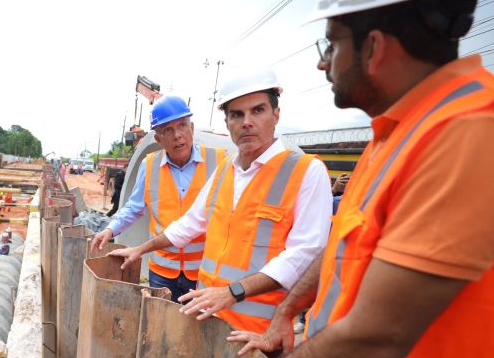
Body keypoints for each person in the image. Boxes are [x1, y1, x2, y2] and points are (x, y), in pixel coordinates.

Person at [194, 0, 494, 358]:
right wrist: (287, 312)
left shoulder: (466, 137)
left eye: (332, 43)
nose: (321, 61)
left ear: (375, 47)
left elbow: (380, 333)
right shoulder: (398, 133)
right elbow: (338, 247)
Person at [110, 67, 332, 335]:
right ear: (227, 123)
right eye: (236, 114)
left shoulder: (306, 171)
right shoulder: (226, 170)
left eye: (257, 110)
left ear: (276, 114)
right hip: (209, 318)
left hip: (258, 332)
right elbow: (188, 224)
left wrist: (233, 292)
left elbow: (305, 254)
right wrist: (140, 249)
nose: (246, 122)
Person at [91, 96, 228, 302]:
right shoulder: (149, 166)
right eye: (168, 130)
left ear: (192, 127)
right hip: (162, 272)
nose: (177, 135)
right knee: (161, 329)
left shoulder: (219, 161)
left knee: (195, 331)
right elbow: (134, 207)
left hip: (203, 271)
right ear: (158, 139)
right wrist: (111, 229)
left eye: (182, 126)